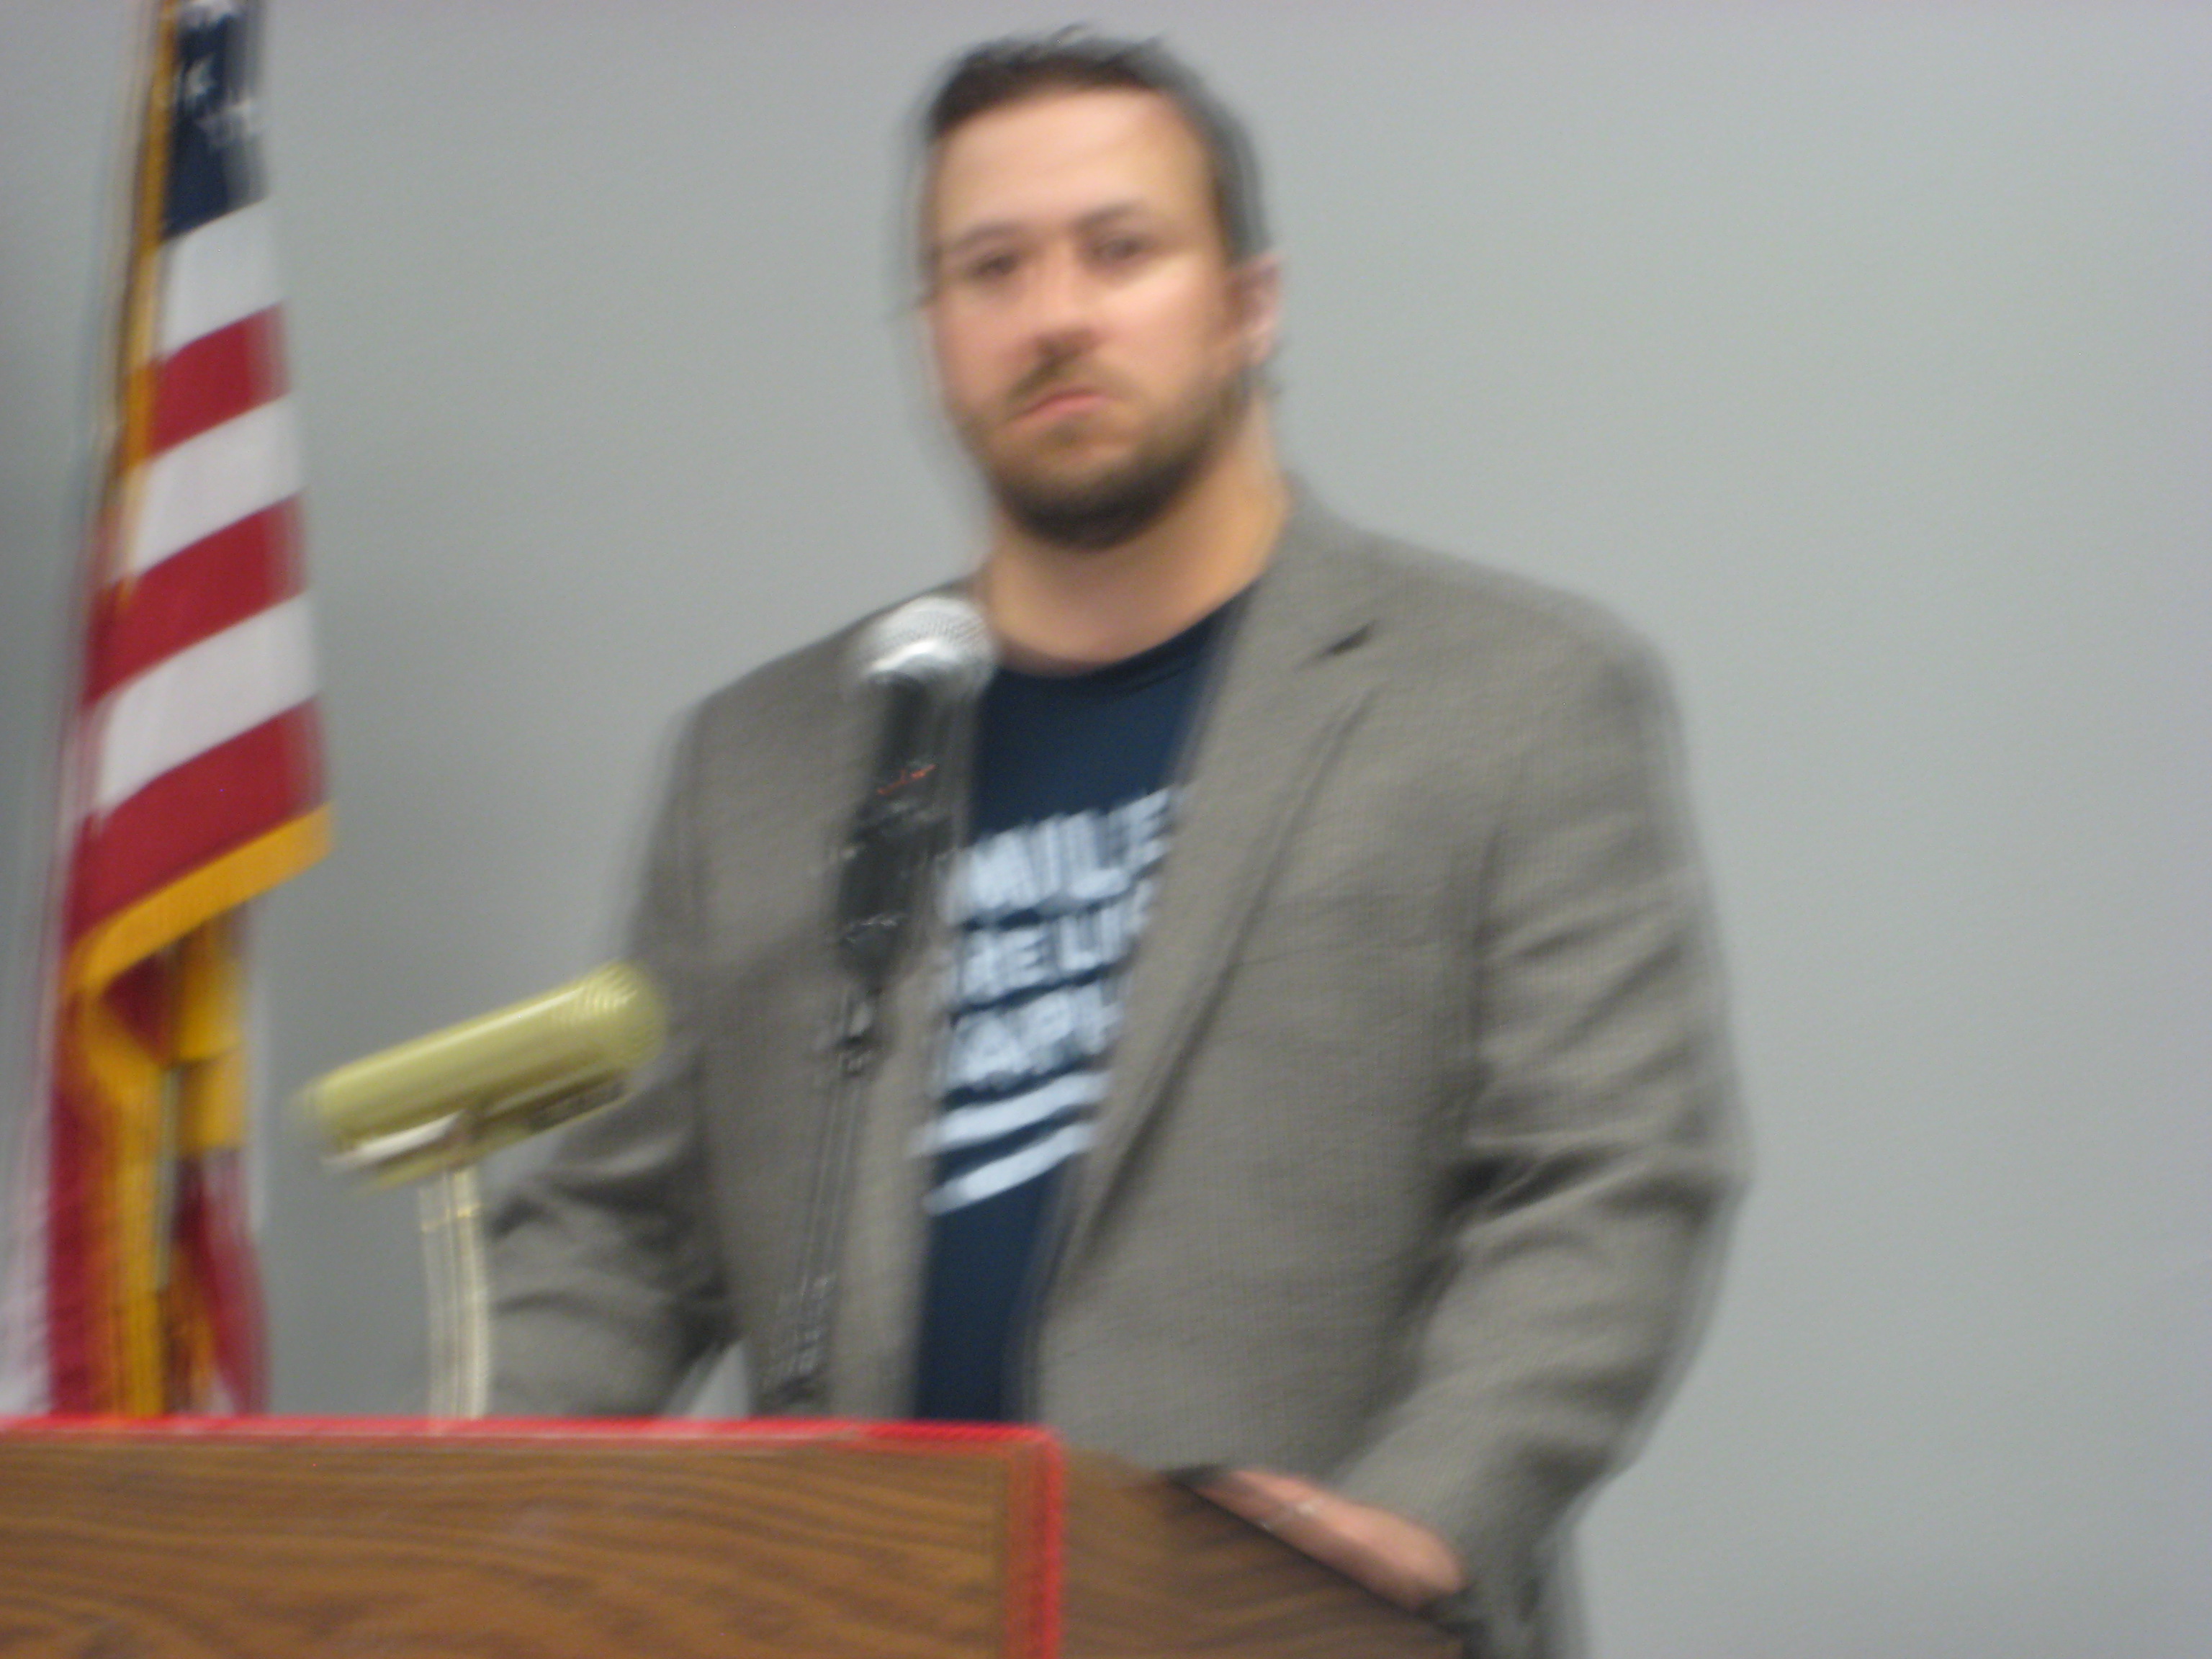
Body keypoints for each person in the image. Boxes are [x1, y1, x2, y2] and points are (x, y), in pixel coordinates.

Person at [489, 30, 1740, 1658]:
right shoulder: (765, 760)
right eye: (991, 269)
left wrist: (1420, 1518)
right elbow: (620, 1232)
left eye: (1122, 249)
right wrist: (452, 1520)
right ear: (935, 336)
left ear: (1249, 305)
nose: (1056, 314)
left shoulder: (1513, 702)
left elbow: (1609, 1179)